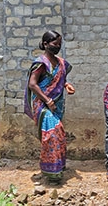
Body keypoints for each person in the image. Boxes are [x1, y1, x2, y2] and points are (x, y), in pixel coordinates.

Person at [24, 30, 75, 182]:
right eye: (54, 44)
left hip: (56, 103)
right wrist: (47, 100)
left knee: (59, 133)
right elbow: (33, 84)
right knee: (52, 133)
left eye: (59, 44)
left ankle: (58, 167)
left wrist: (66, 84)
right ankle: (50, 171)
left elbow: (59, 78)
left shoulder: (60, 62)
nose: (57, 46)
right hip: (42, 103)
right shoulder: (41, 63)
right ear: (45, 44)